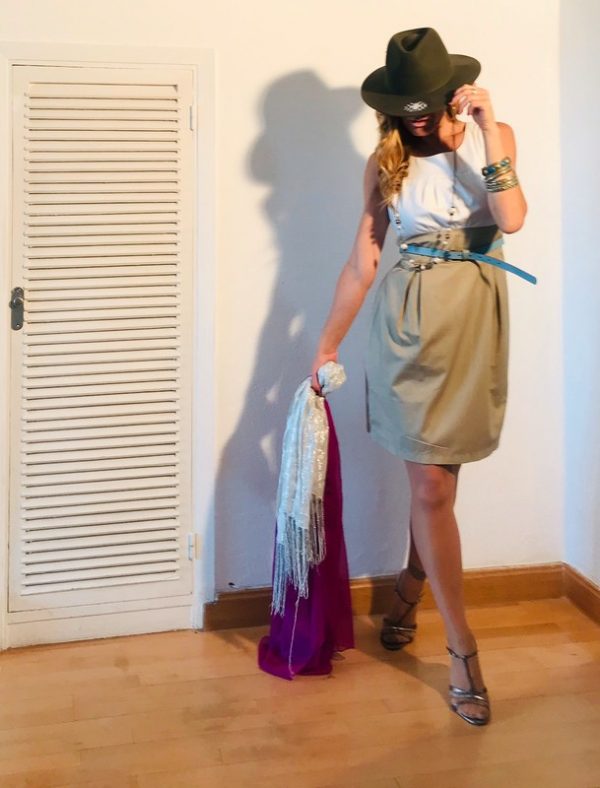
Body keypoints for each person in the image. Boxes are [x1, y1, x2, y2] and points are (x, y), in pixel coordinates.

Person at [310, 27, 530, 726]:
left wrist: (488, 128)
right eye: (405, 109)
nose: (418, 119)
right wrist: (325, 346)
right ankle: (463, 650)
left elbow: (511, 220)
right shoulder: (386, 162)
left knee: (443, 482)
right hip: (407, 328)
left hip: (473, 324)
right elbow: (363, 263)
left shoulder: (494, 139)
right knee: (431, 486)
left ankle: (410, 583)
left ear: (451, 92)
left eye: (427, 105)